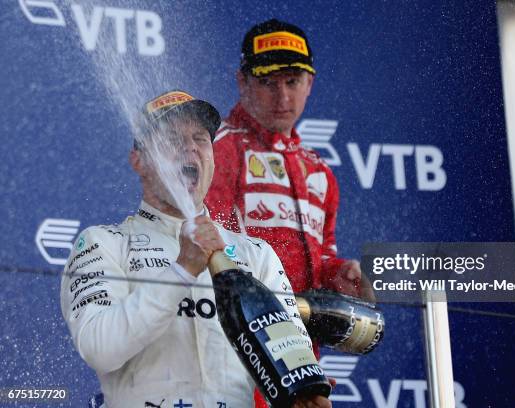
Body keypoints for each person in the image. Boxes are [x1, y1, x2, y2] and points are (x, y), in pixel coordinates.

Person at [60, 90, 331, 408]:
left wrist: (302, 395)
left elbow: (291, 359)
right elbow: (100, 348)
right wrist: (182, 269)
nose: (189, 147)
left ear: (212, 157)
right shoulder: (103, 243)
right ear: (139, 161)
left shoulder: (256, 254)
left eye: (200, 138)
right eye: (172, 139)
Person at [206, 19, 373, 302]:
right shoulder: (217, 147)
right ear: (242, 82)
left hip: (301, 340)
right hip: (238, 335)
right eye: (267, 82)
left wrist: (339, 273)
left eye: (292, 81)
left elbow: (320, 261)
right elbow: (205, 245)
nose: (282, 97)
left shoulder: (319, 171)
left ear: (309, 83)